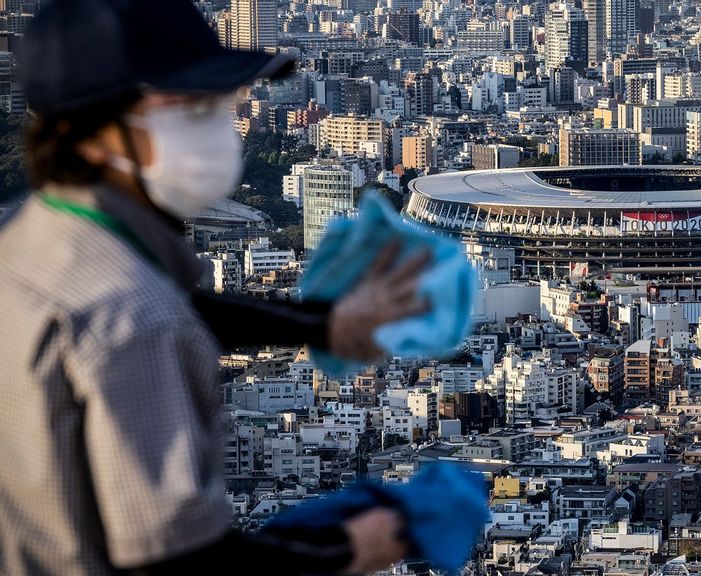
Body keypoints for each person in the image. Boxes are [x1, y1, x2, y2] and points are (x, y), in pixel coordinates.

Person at [0, 1, 428, 574]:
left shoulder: (29, 237)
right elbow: (179, 559)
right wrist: (349, 550)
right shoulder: (134, 315)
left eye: (219, 104)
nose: (221, 124)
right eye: (190, 107)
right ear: (96, 130)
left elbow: (175, 307)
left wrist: (322, 324)